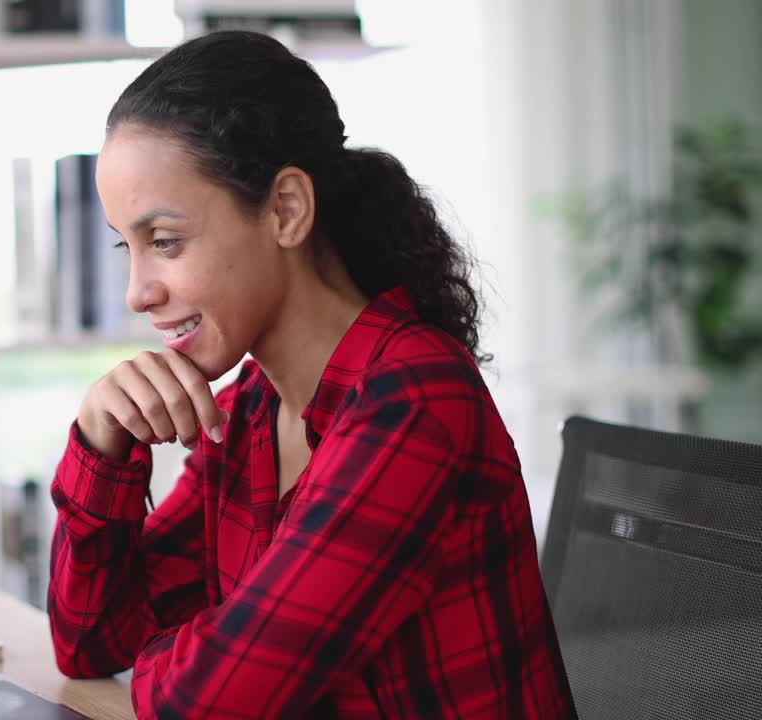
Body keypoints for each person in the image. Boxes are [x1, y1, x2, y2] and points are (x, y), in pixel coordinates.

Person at [46, 29, 576, 719]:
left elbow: (207, 705)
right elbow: (88, 641)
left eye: (165, 242)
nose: (135, 292)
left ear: (286, 211)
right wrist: (100, 435)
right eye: (129, 247)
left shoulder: (414, 402)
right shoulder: (248, 413)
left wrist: (190, 654)